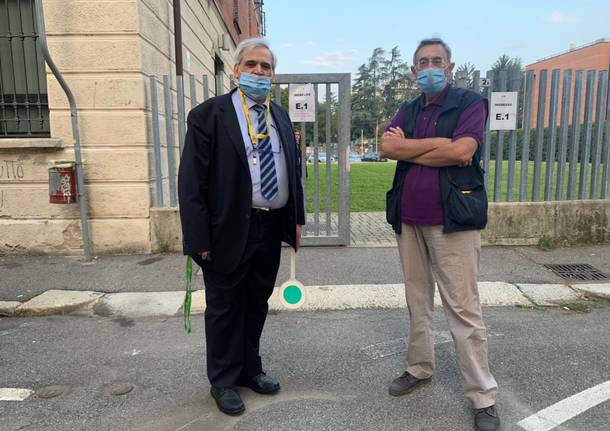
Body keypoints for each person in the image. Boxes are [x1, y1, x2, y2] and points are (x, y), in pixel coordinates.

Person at [178, 37, 305, 416]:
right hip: (226, 230)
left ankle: (251, 369)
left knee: (256, 303)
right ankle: (223, 379)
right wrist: (197, 237)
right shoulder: (208, 116)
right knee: (223, 308)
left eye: (266, 67)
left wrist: (295, 220)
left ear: (273, 75)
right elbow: (191, 183)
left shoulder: (280, 116)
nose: (259, 73)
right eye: (252, 65)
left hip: (269, 229)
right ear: (236, 71)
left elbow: (292, 172)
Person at [381, 38, 500, 431]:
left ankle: (482, 396)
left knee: (463, 309)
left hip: (453, 223)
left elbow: (463, 151)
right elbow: (386, 147)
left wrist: (409, 149)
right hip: (409, 220)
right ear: (413, 71)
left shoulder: (469, 102)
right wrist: (435, 145)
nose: (429, 67)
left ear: (451, 66)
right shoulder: (409, 107)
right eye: (422, 62)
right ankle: (419, 368)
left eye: (437, 61)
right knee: (418, 301)